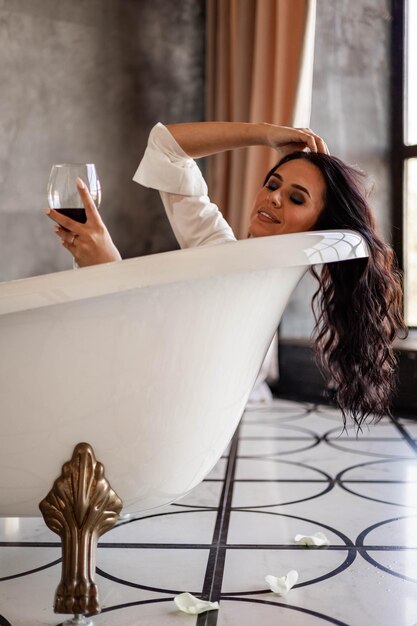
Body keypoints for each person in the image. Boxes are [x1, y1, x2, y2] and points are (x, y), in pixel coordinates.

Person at [44, 122, 407, 429]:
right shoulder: (224, 252)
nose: (274, 198)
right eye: (273, 184)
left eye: (296, 199)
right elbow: (166, 148)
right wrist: (266, 134)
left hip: (135, 418)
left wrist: (106, 264)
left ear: (320, 226)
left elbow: (157, 370)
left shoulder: (245, 281)